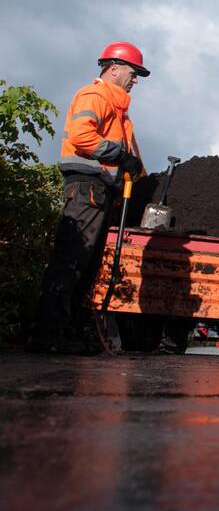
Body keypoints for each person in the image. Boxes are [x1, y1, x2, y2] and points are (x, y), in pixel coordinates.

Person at [29, 42, 149, 354]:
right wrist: (120, 155)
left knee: (86, 265)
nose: (135, 79)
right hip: (86, 188)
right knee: (71, 260)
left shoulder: (119, 109)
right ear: (113, 68)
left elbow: (124, 153)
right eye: (133, 73)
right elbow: (82, 136)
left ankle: (65, 333)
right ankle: (47, 336)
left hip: (99, 191)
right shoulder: (96, 95)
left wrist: (134, 169)